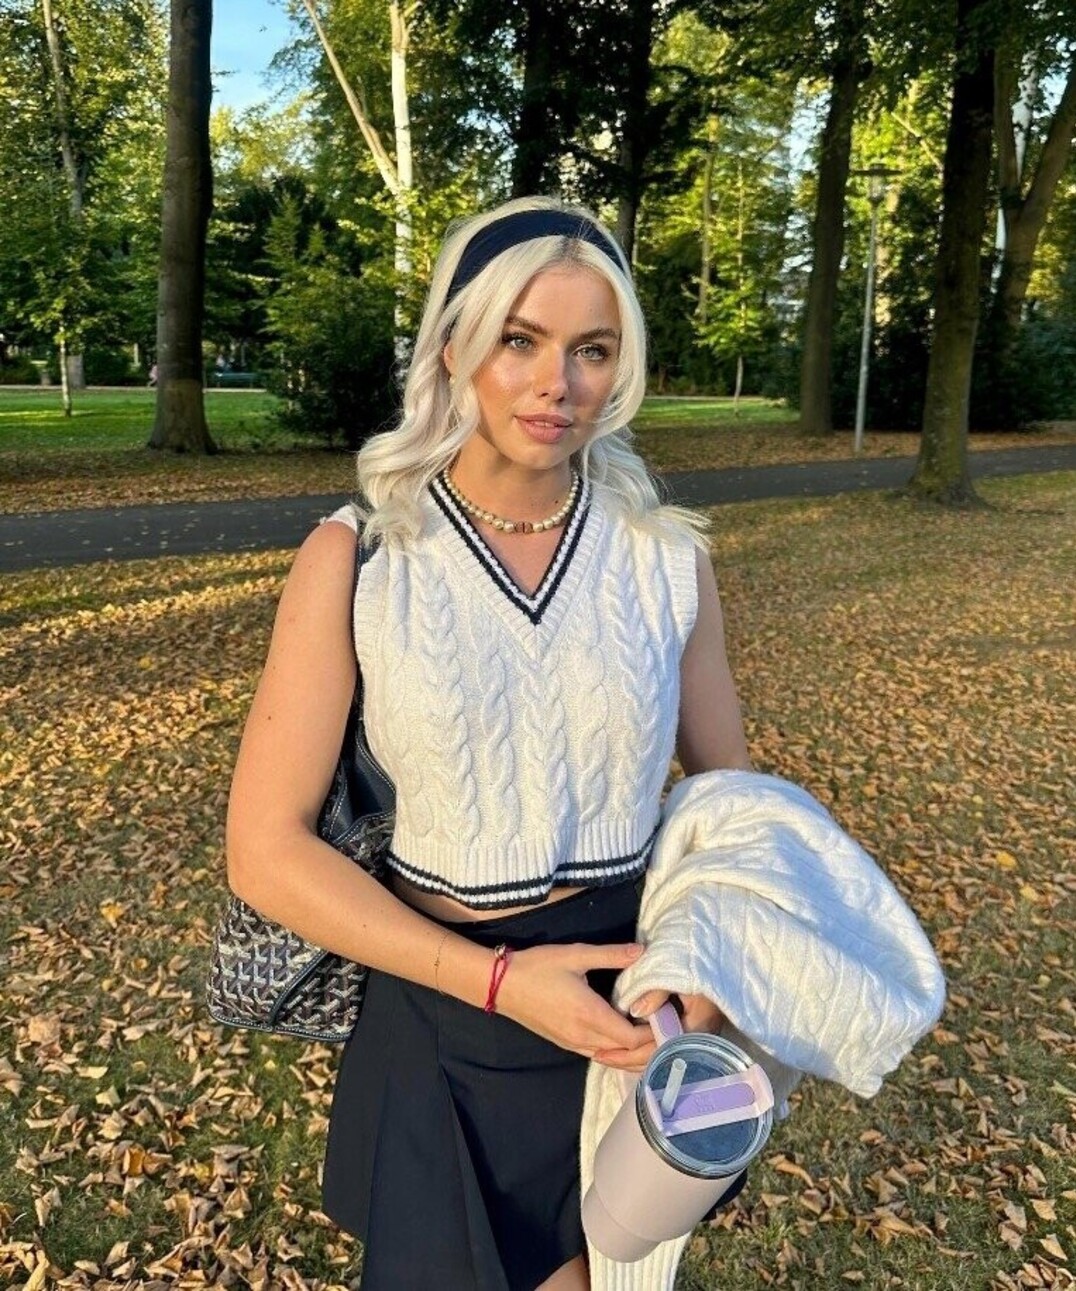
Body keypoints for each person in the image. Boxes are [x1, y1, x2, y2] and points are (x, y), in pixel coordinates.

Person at [224, 195, 752, 1290]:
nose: (558, 382)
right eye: (520, 339)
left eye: (591, 349)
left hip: (624, 1018)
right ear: (454, 344)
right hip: (447, 1013)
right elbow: (265, 849)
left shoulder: (665, 558)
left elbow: (732, 808)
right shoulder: (362, 558)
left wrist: (707, 960)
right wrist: (503, 982)